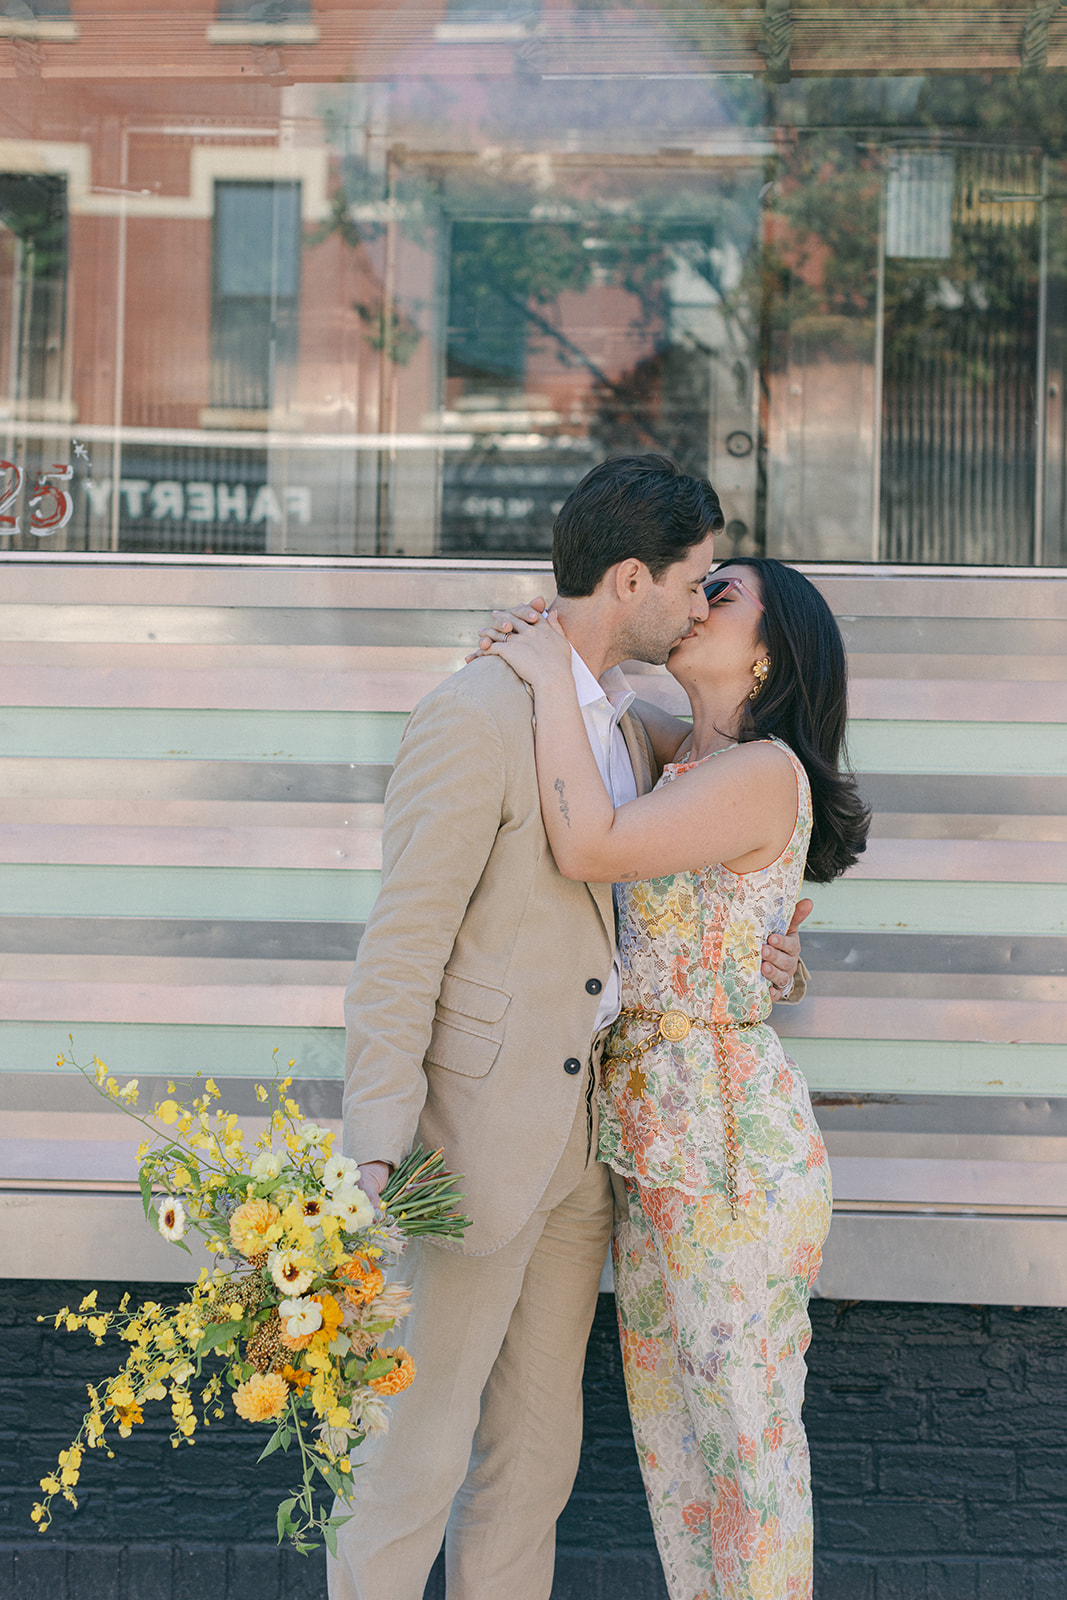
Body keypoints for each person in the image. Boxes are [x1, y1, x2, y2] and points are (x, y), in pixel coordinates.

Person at [330, 457, 807, 1600]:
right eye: (694, 582)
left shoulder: (631, 736)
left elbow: (709, 878)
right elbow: (401, 945)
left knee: (534, 1463)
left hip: (586, 1156)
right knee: (413, 1454)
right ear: (632, 577)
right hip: (466, 1146)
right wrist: (377, 1143)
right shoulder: (476, 710)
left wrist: (773, 956)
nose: (699, 605)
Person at [483, 556, 870, 1600]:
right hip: (648, 1140)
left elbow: (590, 841)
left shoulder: (759, 769)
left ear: (768, 651)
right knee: (675, 1456)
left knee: (745, 1447)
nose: (696, 601)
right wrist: (548, 645)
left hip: (731, 1150)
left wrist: (536, 660)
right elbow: (600, 706)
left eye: (724, 593)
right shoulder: (679, 750)